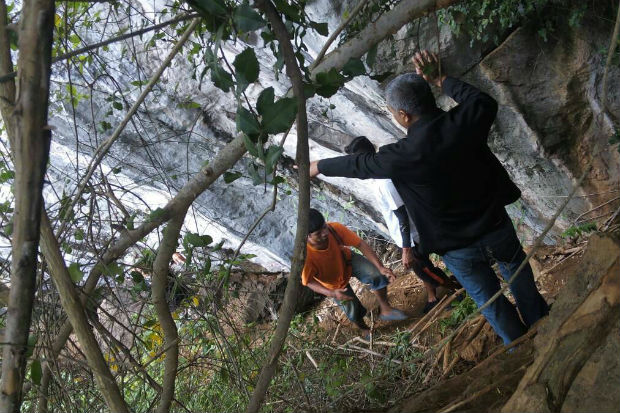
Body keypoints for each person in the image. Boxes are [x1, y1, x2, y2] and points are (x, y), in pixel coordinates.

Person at [307, 50, 548, 345]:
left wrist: (319, 166)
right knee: (520, 277)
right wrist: (441, 79)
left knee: (489, 300)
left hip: (457, 247)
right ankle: (544, 326)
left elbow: (359, 165)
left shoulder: (402, 156)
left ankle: (519, 344)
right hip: (496, 227)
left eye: (393, 113)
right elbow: (484, 101)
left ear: (404, 116)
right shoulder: (465, 120)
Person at [344, 136, 459, 313]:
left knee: (424, 270)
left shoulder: (384, 183)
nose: (355, 169)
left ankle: (457, 288)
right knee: (422, 268)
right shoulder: (380, 176)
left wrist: (406, 249)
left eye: (356, 163)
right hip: (410, 235)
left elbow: (402, 216)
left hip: (413, 236)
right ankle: (432, 296)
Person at [302, 208, 407, 337]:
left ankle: (385, 309)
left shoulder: (334, 229)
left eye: (324, 227)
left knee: (376, 274)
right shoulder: (305, 255)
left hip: (347, 261)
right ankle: (364, 329)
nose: (325, 233)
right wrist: (331, 293)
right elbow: (308, 281)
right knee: (351, 309)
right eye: (318, 233)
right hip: (333, 283)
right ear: (307, 236)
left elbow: (360, 244)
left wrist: (380, 267)